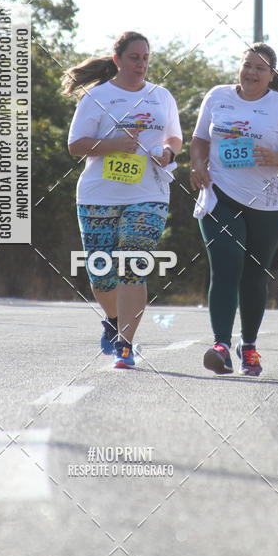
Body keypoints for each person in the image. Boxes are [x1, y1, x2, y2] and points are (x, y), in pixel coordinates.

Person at [64, 31, 182, 369]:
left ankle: (125, 345)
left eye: (145, 58)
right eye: (134, 58)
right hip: (99, 194)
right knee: (101, 273)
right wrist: (113, 145)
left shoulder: (161, 96)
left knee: (133, 264)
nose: (141, 65)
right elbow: (75, 145)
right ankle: (114, 320)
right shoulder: (97, 97)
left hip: (149, 193)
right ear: (117, 60)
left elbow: (175, 137)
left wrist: (168, 152)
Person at [191, 43, 278, 376]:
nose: (251, 73)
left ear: (271, 75)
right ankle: (221, 346)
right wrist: (197, 165)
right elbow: (200, 140)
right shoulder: (217, 96)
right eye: (247, 65)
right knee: (226, 268)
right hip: (220, 196)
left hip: (265, 203)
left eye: (260, 68)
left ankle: (249, 346)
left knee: (254, 276)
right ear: (239, 67)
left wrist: (276, 157)